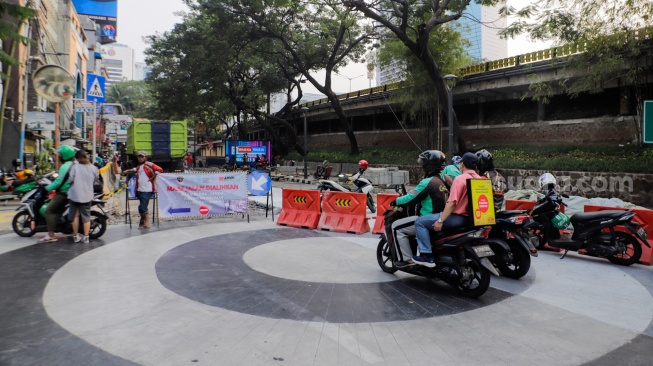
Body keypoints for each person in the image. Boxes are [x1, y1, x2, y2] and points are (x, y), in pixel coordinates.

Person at [389, 151, 450, 268]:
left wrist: (396, 201)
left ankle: (406, 260)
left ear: (428, 165)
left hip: (428, 218)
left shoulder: (427, 182)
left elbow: (411, 198)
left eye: (423, 162)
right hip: (442, 216)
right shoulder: (442, 178)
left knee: (396, 227)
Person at [433, 152, 481, 232]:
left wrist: (440, 221)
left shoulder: (459, 179)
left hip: (458, 218)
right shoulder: (480, 179)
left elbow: (452, 203)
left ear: (462, 164)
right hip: (474, 219)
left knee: (420, 222)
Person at [38, 145, 75, 243]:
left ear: (65, 155)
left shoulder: (65, 166)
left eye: (60, 155)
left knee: (48, 210)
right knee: (57, 212)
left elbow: (58, 182)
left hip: (63, 193)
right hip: (71, 192)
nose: (59, 157)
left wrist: (46, 188)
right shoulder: (74, 164)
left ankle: (51, 235)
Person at [123, 151, 163, 229]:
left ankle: (144, 221)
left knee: (142, 208)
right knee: (143, 207)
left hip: (147, 190)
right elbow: (135, 169)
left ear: (145, 157)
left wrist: (153, 176)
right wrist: (127, 170)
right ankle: (145, 223)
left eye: (142, 157)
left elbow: (160, 169)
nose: (140, 158)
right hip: (140, 189)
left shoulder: (149, 164)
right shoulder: (139, 166)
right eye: (139, 157)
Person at [67, 150, 99, 243]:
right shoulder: (94, 168)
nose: (77, 160)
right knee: (86, 217)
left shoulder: (75, 167)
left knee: (75, 216)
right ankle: (86, 237)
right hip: (87, 195)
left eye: (78, 158)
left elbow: (71, 179)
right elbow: (96, 180)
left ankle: (76, 236)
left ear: (81, 158)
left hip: (75, 194)